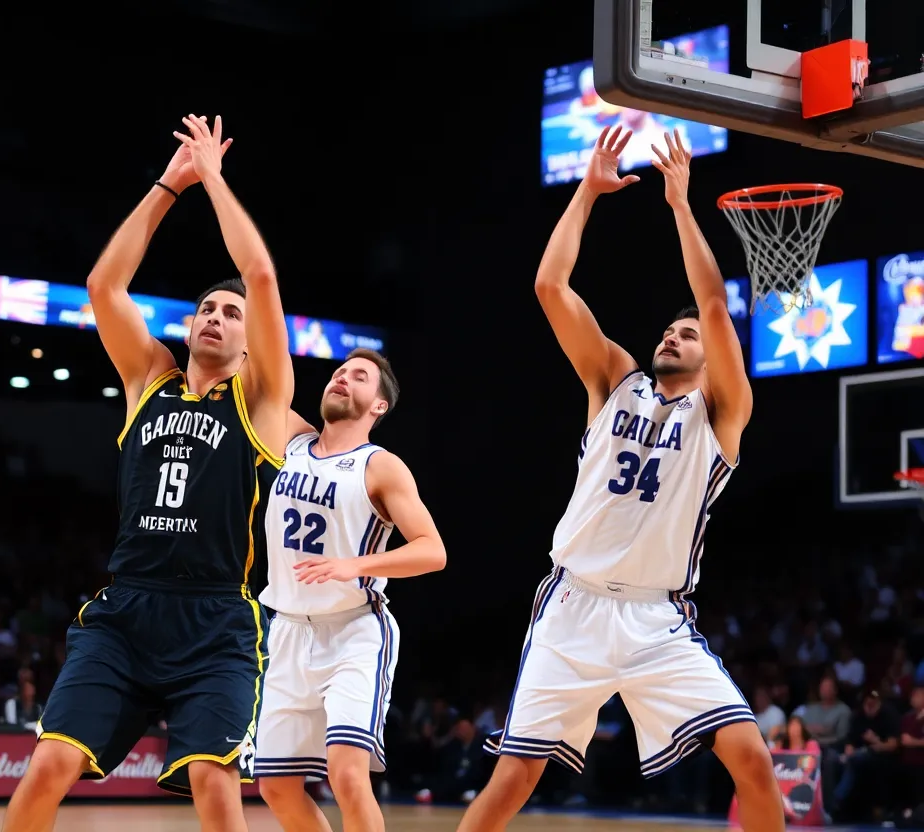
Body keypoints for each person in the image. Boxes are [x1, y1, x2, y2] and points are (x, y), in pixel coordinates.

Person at [456, 126, 782, 832]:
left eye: (686, 335)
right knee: (512, 781)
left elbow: (718, 307)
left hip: (655, 617)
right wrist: (586, 192)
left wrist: (679, 204)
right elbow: (549, 286)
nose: (672, 335)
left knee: (752, 760)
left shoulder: (723, 411)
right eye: (669, 330)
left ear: (712, 358)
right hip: (571, 604)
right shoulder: (614, 379)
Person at [2, 113, 292, 832]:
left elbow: (259, 273)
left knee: (213, 785)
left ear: (251, 341)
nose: (217, 317)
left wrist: (215, 182)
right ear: (189, 326)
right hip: (127, 612)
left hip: (217, 617)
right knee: (47, 765)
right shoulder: (149, 380)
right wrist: (170, 184)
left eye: (232, 313)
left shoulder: (261, 399)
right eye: (206, 309)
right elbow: (104, 284)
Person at [254, 349, 445, 832]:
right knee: (275, 787)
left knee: (346, 775)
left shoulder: (380, 466)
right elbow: (253, 375)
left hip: (353, 632)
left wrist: (355, 564)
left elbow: (432, 550)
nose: (343, 379)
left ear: (378, 405)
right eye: (339, 372)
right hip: (288, 631)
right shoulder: (291, 440)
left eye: (359, 377)